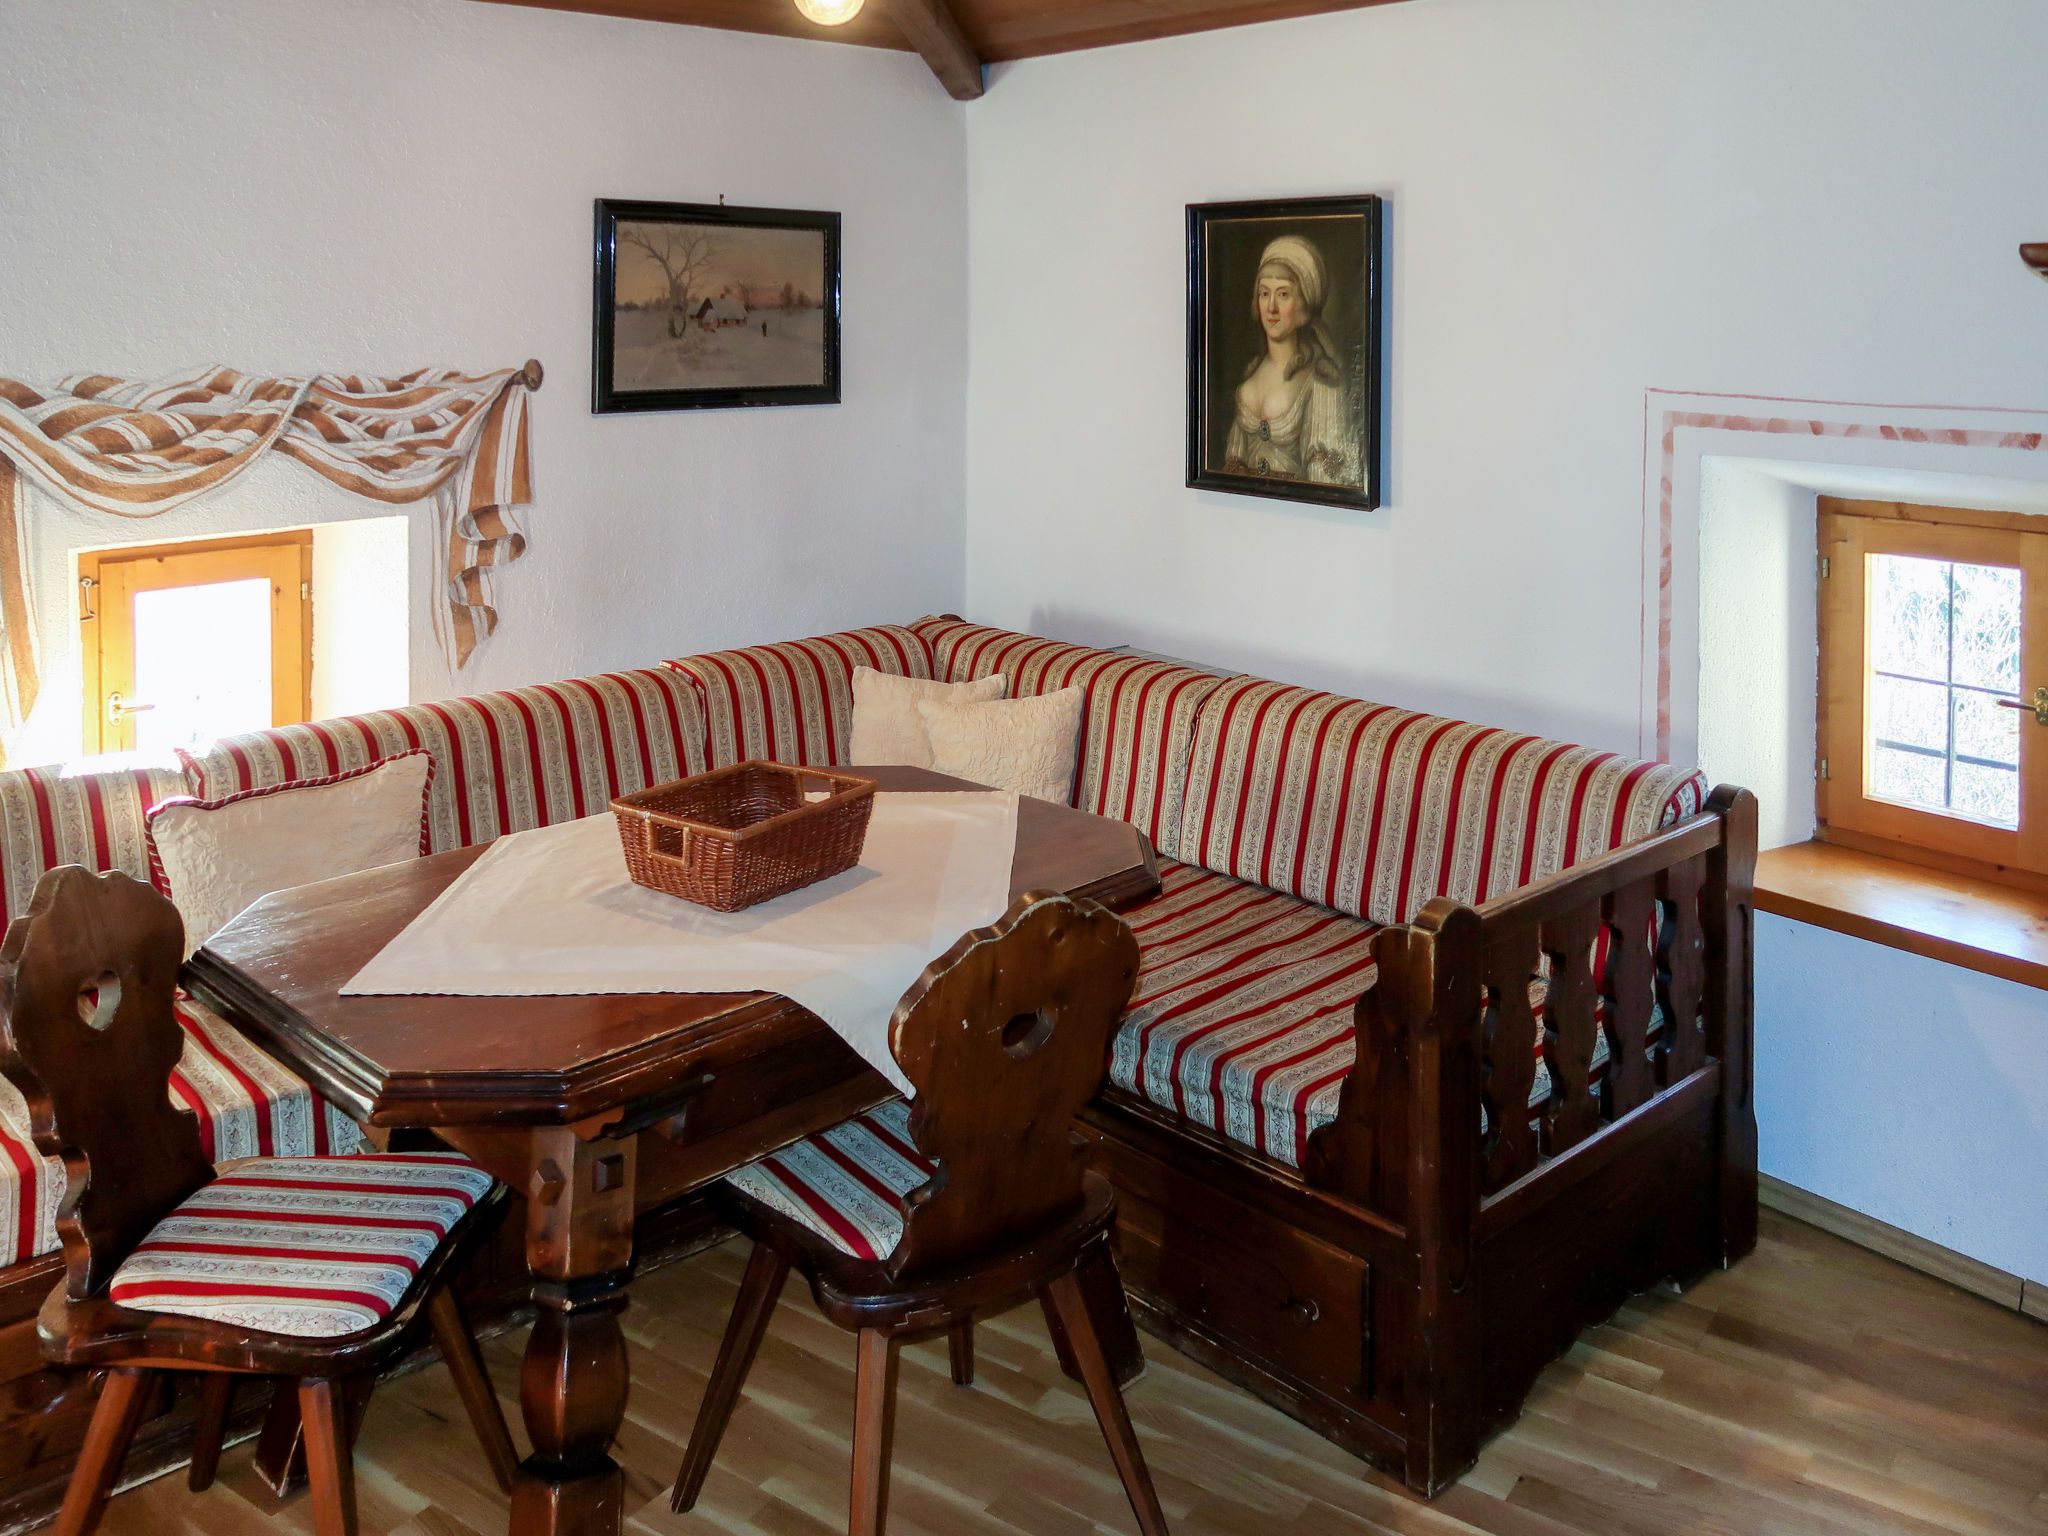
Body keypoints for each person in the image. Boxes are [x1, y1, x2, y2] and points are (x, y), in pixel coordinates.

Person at [1221, 234, 1358, 487]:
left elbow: (1326, 481)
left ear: (1304, 304)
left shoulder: (1321, 379)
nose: (1271, 308)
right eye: (1264, 293)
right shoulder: (1251, 374)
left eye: (1283, 294)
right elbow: (1230, 468)